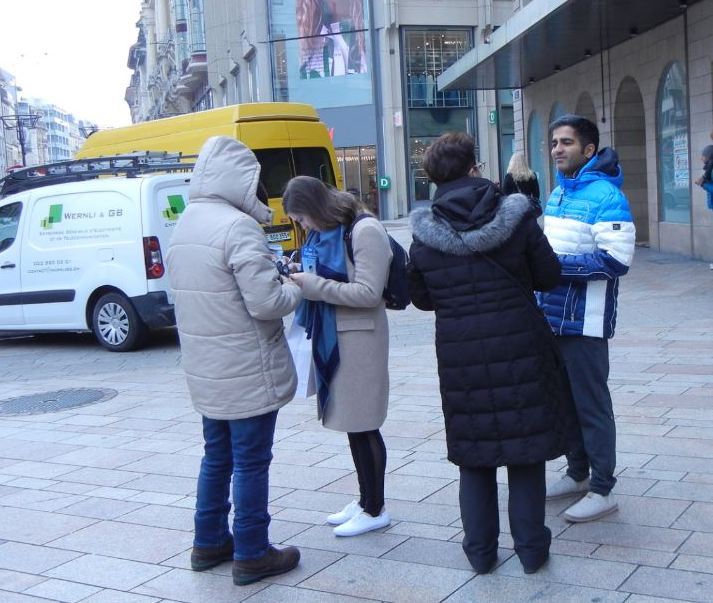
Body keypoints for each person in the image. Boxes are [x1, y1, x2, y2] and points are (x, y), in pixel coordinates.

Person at [407, 132, 574, 575]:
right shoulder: (516, 217)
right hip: (521, 346)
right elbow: (549, 275)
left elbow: (421, 297)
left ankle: (480, 554)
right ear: (474, 168)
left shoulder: (424, 234)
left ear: (434, 179)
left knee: (474, 456)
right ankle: (532, 551)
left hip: (460, 356)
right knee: (526, 451)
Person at [166, 136, 303, 585]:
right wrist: (293, 288)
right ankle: (252, 552)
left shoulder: (185, 224)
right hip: (247, 369)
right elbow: (266, 303)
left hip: (207, 370)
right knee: (250, 462)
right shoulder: (237, 227)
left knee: (216, 457)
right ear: (240, 179)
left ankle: (207, 542)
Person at [282, 175, 392, 537]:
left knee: (364, 424)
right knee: (352, 424)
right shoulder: (328, 233)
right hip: (337, 335)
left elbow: (369, 293)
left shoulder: (364, 230)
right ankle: (365, 500)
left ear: (315, 208)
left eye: (302, 219)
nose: (303, 226)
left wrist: (315, 286)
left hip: (360, 339)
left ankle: (375, 508)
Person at [540, 114, 636, 523]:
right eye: (554, 143)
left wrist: (552, 267)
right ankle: (578, 472)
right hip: (552, 319)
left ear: (589, 149)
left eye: (566, 142)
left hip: (586, 322)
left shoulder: (607, 196)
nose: (557, 149)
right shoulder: (559, 192)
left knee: (592, 406)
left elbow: (616, 260)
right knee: (564, 402)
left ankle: (602, 488)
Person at [694, 144, 713, 211]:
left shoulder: (711, 170)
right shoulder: (709, 169)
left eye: (703, 156)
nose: (701, 158)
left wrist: (703, 184)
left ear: (708, 156)